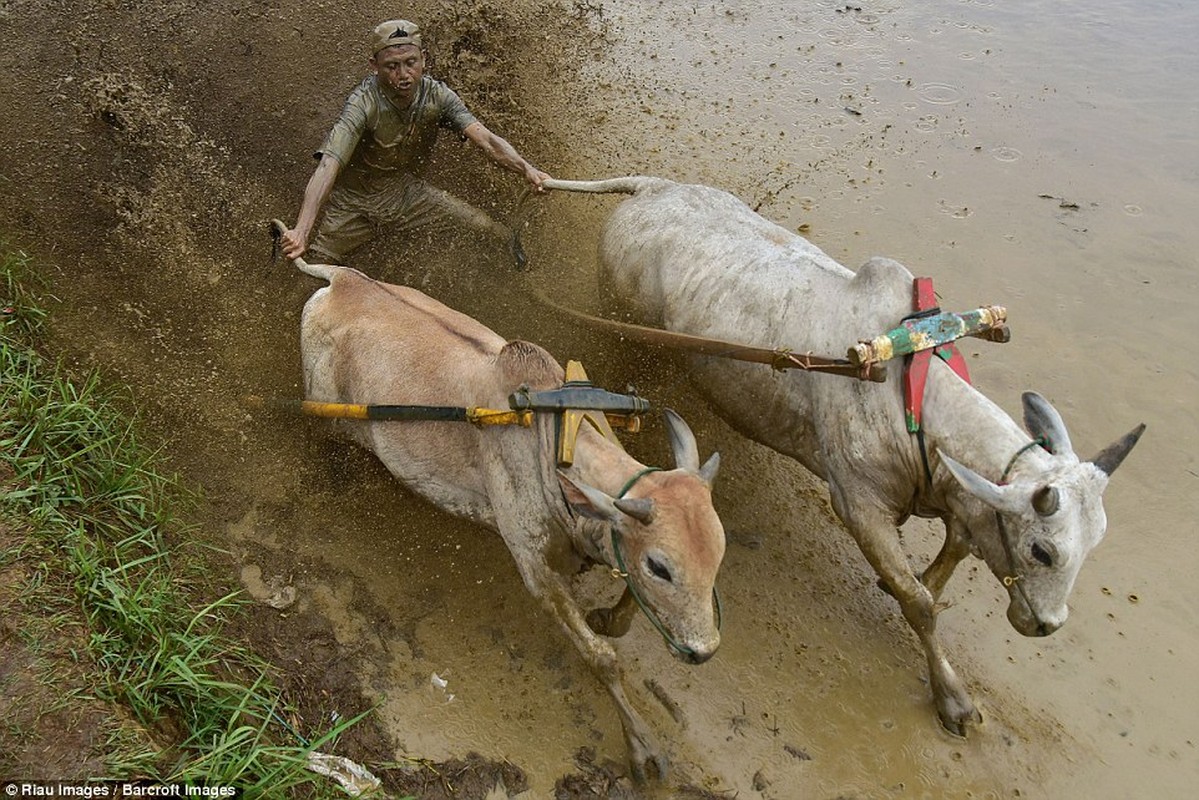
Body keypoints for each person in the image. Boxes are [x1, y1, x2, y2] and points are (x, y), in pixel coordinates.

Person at [280, 19, 550, 268]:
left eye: (411, 62)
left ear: (424, 59)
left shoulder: (437, 96)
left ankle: (522, 285)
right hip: (353, 205)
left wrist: (526, 168)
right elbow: (329, 164)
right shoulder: (363, 103)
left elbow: (486, 139)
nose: (404, 74)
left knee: (493, 233)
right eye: (392, 66)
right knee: (314, 273)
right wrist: (301, 231)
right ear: (374, 66)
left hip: (407, 196)